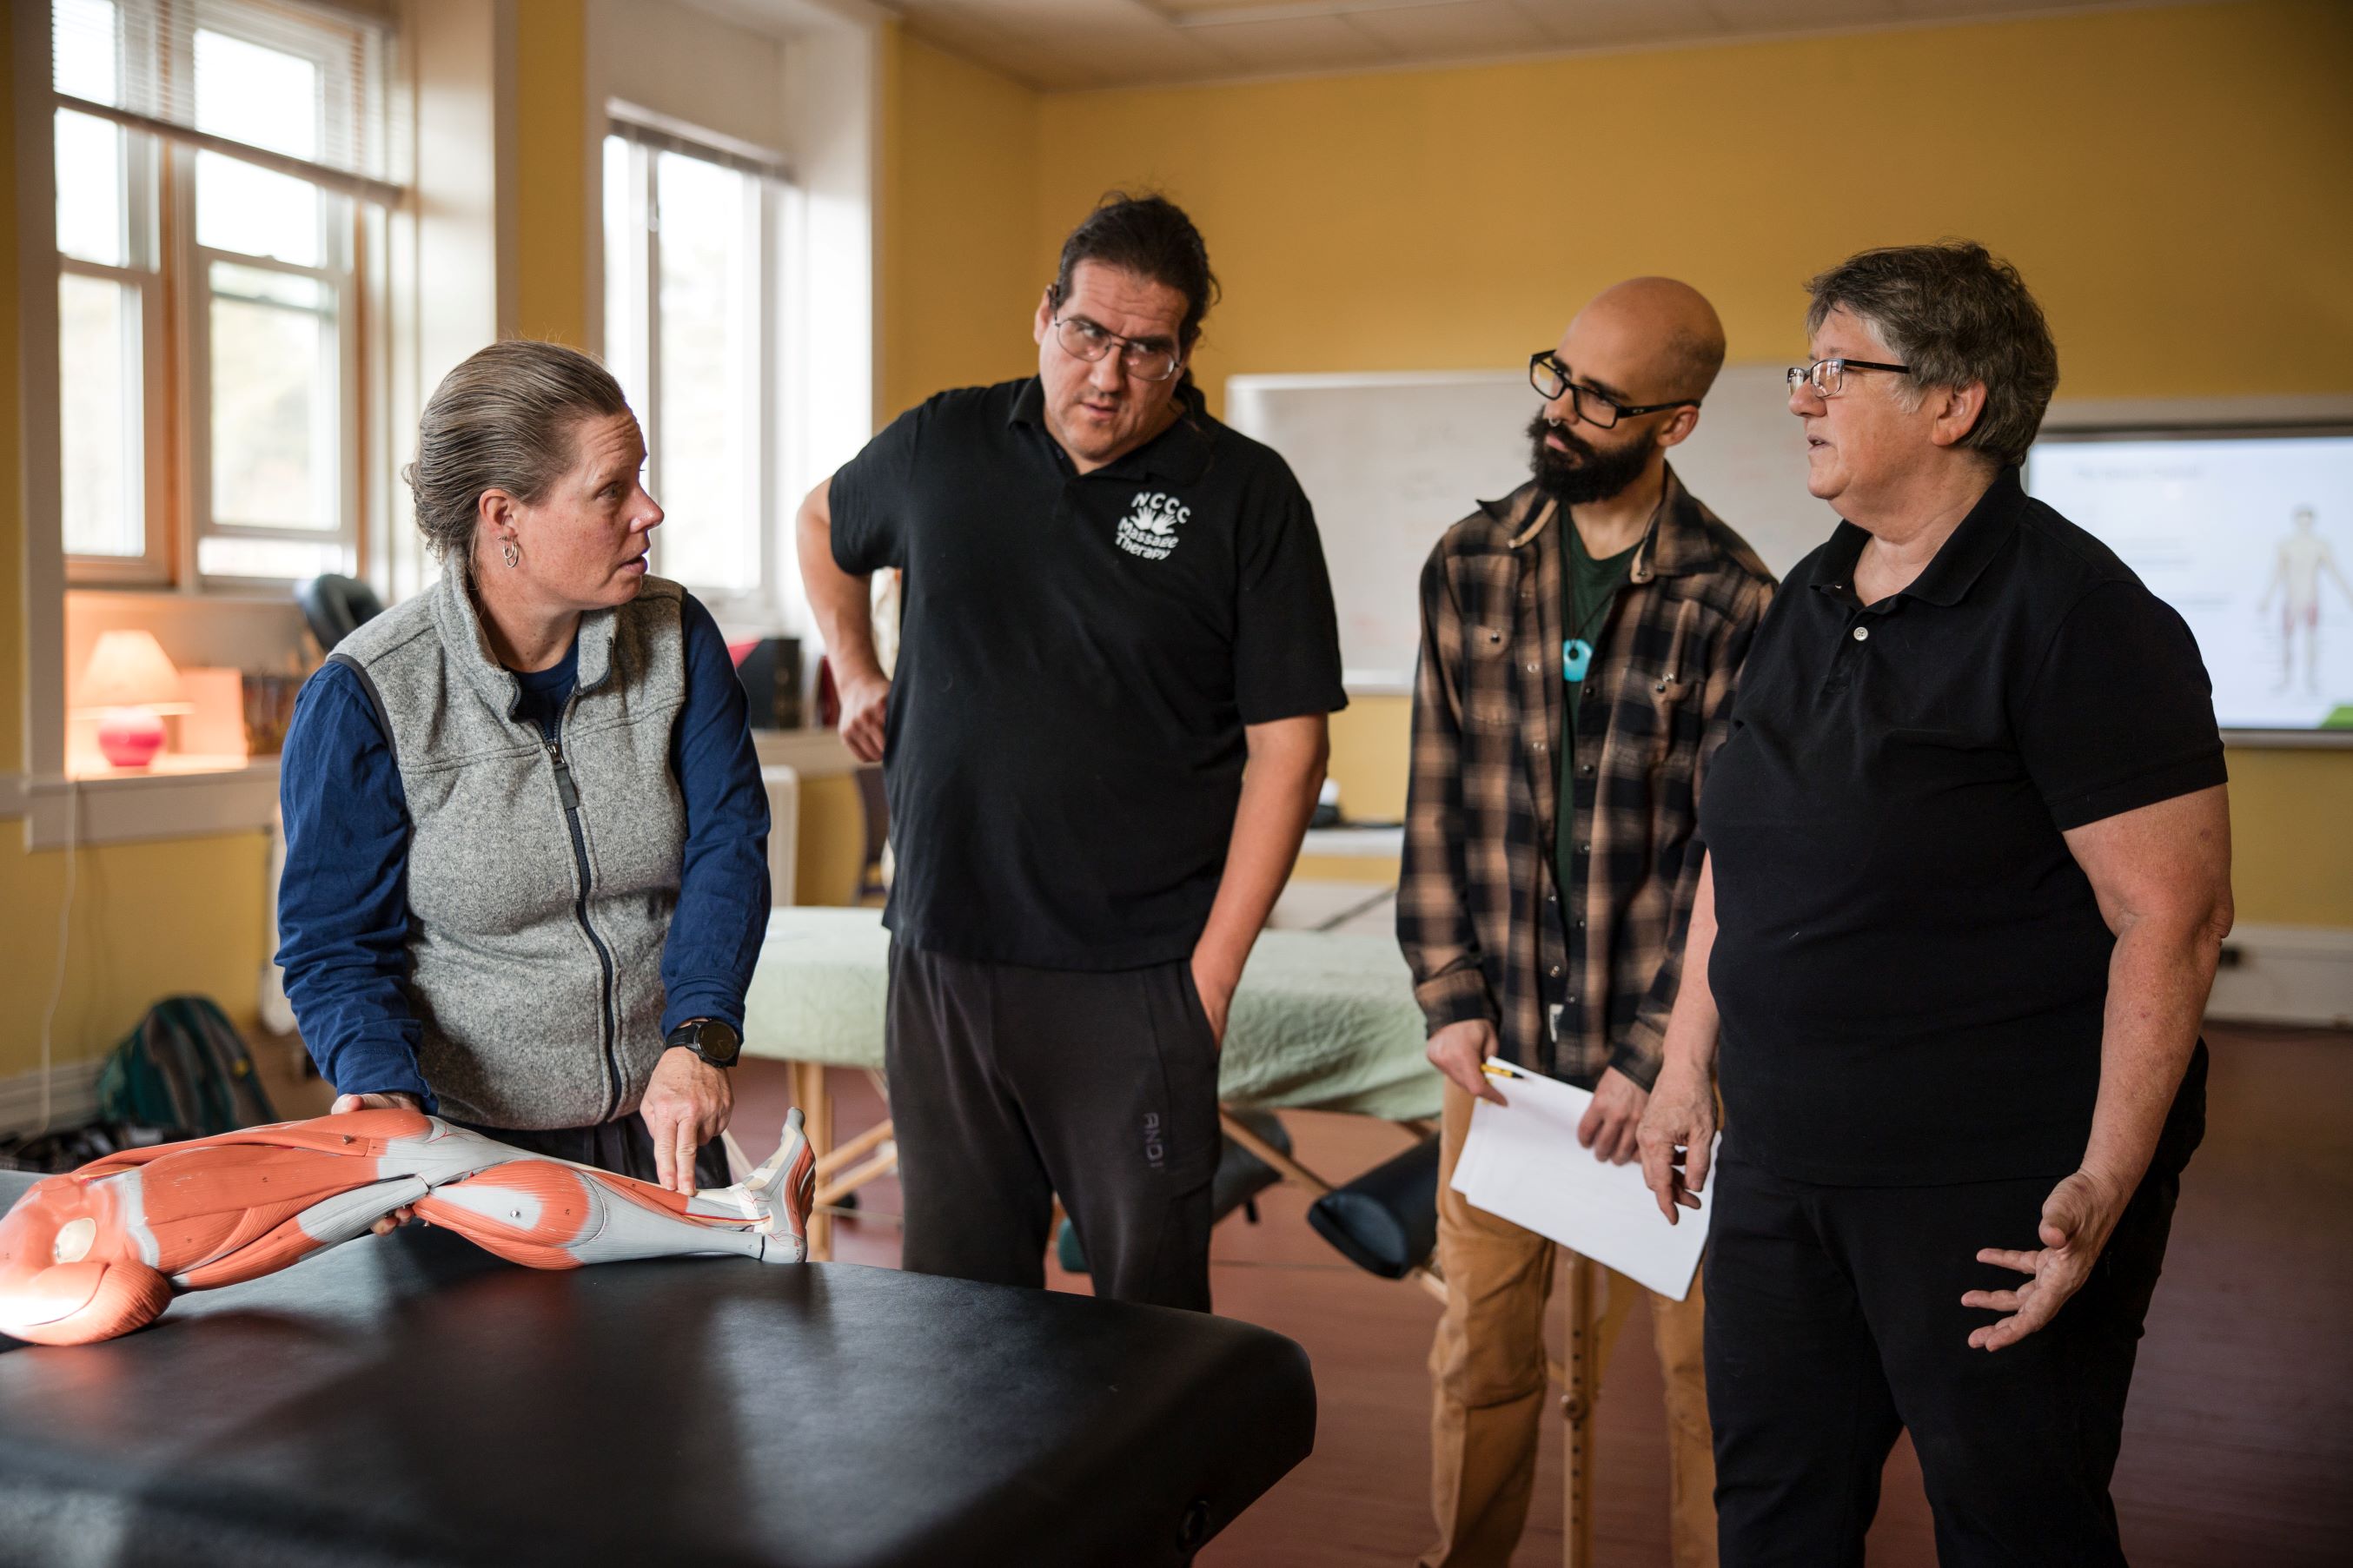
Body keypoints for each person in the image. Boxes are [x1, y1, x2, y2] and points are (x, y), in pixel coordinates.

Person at [1636, 242, 2232, 1568]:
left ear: (1955, 402)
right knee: (1775, 1515)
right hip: (1786, 1165)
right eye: (1807, 368)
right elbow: (1745, 845)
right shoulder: (1811, 591)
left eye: (1835, 368)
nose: (1801, 396)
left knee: (2016, 1522)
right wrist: (1686, 1067)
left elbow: (2173, 920)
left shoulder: (2081, 617)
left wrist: (2102, 1181)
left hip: (1990, 1182)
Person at [795, 193, 1344, 1312]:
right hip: (943, 950)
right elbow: (821, 522)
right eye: (1087, 333)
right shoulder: (944, 441)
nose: (1107, 374)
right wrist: (856, 670)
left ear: (1182, 353)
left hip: (1136, 975)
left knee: (1146, 1327)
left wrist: (1209, 979)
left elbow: (1288, 751)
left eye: (1146, 349)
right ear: (1043, 317)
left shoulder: (1246, 496)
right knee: (954, 1310)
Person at [1401, 278, 1773, 1568]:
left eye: (1599, 397)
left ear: (1674, 423)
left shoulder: (1737, 601)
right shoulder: (1467, 560)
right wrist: (1447, 996)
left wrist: (1664, 1048)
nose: (1559, 411)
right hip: (1496, 1058)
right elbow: (1434, 793)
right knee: (1483, 1357)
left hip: (1672, 1077)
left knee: (1708, 1383)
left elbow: (1733, 854)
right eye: (1556, 376)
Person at [278, 341, 771, 1200]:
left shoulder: (676, 636)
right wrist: (382, 1090)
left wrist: (699, 1038)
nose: (648, 510)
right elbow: (334, 947)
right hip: (467, 1157)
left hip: (656, 1131)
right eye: (611, 489)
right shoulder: (365, 694)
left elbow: (727, 844)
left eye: (641, 478)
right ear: (503, 515)